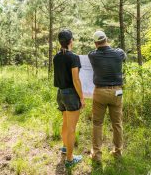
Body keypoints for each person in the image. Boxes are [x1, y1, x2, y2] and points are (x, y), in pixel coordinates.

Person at [88, 31, 126, 163]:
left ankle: (97, 155)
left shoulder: (92, 55)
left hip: (100, 92)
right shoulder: (119, 53)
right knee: (117, 123)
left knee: (97, 123)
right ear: (107, 39)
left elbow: (94, 52)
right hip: (117, 92)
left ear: (95, 43)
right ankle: (118, 152)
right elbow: (122, 54)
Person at [53, 29, 85, 168]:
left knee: (65, 123)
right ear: (71, 41)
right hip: (71, 95)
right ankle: (70, 160)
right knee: (71, 128)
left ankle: (65, 148)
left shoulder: (56, 57)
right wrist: (82, 98)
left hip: (60, 94)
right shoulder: (73, 57)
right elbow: (76, 79)